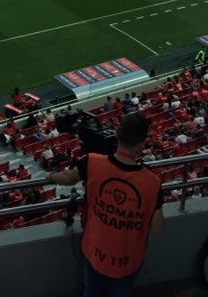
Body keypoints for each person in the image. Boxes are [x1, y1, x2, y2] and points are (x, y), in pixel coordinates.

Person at [49, 112, 164, 295]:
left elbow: (68, 177)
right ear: (141, 144)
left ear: (117, 134)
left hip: (95, 251)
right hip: (128, 260)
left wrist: (49, 176)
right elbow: (158, 229)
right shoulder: (152, 183)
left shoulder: (92, 163)